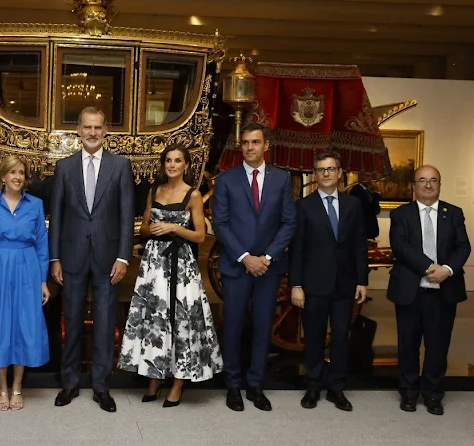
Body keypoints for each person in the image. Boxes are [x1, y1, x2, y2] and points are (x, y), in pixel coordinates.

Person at [118, 143, 223, 407]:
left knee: (181, 319)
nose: (172, 165)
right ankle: (155, 377)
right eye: (168, 160)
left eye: (177, 161)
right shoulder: (155, 190)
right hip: (154, 263)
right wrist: (151, 229)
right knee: (155, 318)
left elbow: (200, 234)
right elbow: (142, 228)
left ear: (186, 165)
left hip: (181, 263)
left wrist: (173, 228)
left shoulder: (194, 195)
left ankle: (178, 381)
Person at [50, 106, 134, 413]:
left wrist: (124, 257)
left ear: (106, 131)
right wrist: (55, 258)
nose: (92, 132)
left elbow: (127, 216)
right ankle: (69, 383)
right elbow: (56, 216)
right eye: (87, 127)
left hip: (108, 258)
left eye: (98, 127)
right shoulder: (64, 167)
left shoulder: (121, 166)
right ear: (78, 130)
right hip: (70, 257)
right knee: (70, 322)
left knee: (104, 324)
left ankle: (101, 386)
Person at [213, 122, 296, 412]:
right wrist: (246, 257)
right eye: (245, 142)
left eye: (255, 142)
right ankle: (233, 385)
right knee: (233, 326)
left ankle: (256, 385)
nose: (250, 147)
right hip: (237, 266)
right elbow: (220, 224)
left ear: (266, 146)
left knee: (263, 327)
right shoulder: (226, 180)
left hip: (269, 268)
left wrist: (268, 257)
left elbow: (288, 222)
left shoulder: (282, 180)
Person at [387, 165, 470, 416]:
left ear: (439, 184)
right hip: (410, 291)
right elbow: (399, 246)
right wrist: (428, 266)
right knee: (408, 345)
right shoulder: (401, 214)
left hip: (444, 292)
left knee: (438, 346)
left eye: (433, 180)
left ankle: (433, 394)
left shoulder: (453, 213)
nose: (427, 185)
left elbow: (463, 247)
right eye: (422, 180)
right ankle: (409, 393)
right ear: (414, 185)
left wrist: (447, 269)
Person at [290, 152, 368, 412]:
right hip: (313, 285)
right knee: (313, 337)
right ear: (315, 174)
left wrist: (362, 280)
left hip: (345, 285)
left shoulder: (353, 205)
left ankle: (336, 388)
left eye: (331, 168)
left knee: (340, 338)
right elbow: (297, 249)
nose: (326, 173)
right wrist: (296, 284)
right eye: (321, 169)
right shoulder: (304, 206)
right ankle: (313, 386)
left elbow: (359, 245)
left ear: (339, 172)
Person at [0, 155, 50, 411]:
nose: (17, 177)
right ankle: (2, 388)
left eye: (21, 172)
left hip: (27, 267)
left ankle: (17, 386)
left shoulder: (35, 204)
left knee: (23, 324)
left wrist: (42, 280)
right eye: (12, 172)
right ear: (2, 177)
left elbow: (41, 245)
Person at [349, 172, 381, 239]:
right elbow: (368, 209)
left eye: (370, 176)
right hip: (362, 230)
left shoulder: (368, 191)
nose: (370, 179)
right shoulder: (356, 190)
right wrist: (376, 194)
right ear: (360, 176)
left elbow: (376, 210)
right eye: (367, 176)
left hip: (369, 230)